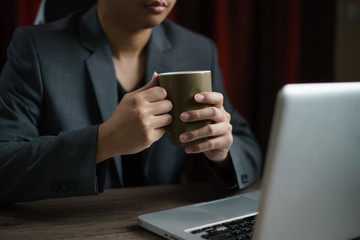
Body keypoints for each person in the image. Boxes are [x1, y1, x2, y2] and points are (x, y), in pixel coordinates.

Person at [0, 0, 262, 204]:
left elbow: (248, 150)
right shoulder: (37, 47)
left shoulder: (196, 49)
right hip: (73, 225)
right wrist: (103, 141)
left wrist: (223, 152)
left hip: (164, 219)